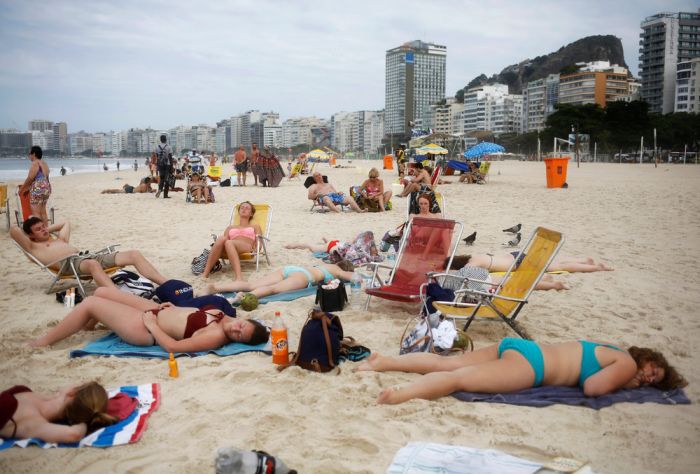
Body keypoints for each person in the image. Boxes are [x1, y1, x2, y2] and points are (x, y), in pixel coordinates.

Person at [355, 339, 687, 405]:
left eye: (652, 381)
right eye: (652, 372)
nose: (645, 378)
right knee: (457, 379)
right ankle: (400, 396)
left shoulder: (612, 349)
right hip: (533, 367)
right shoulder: (626, 364)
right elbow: (594, 389)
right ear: (644, 359)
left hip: (522, 348)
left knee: (449, 364)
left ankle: (383, 362)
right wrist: (626, 381)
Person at [30, 286, 270, 351]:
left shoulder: (215, 336)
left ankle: (43, 342)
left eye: (239, 336)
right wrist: (172, 307)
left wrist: (153, 326)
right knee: (102, 292)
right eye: (242, 327)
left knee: (91, 302)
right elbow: (188, 316)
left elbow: (173, 346)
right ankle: (89, 323)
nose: (236, 330)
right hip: (159, 310)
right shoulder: (224, 316)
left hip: (144, 329)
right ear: (247, 321)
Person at [11, 218, 167, 288]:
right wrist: (33, 235)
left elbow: (65, 222)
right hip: (70, 265)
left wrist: (45, 230)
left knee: (133, 254)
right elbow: (14, 230)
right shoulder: (33, 247)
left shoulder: (59, 240)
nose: (44, 230)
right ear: (30, 236)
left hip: (87, 257)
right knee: (92, 264)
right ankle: (116, 295)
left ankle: (166, 283)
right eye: (38, 229)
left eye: (44, 226)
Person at [0, 381, 118, 443]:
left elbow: (73, 434)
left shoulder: (33, 421)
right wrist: (86, 419)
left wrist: (86, 423)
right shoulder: (37, 401)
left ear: (72, 392)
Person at [204, 261, 355, 304]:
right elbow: (350, 276)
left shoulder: (325, 264)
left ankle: (216, 288)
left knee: (252, 284)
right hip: (305, 277)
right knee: (273, 289)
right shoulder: (336, 270)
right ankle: (239, 298)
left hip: (291, 268)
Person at [203, 201, 262, 280]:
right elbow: (224, 241)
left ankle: (239, 277)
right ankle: (205, 274)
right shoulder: (230, 227)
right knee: (222, 238)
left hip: (246, 246)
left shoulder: (255, 226)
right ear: (239, 212)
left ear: (251, 214)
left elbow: (260, 241)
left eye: (247, 208)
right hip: (230, 247)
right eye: (242, 207)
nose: (244, 209)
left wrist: (256, 249)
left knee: (229, 242)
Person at [284, 231, 383, 266]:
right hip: (332, 246)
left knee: (330, 243)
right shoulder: (365, 249)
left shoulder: (362, 243)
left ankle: (326, 240)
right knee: (310, 246)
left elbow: (352, 242)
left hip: (338, 243)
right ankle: (291, 245)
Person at [450, 253, 614, 274]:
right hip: (515, 255)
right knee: (553, 261)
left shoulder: (470, 266)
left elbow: (463, 276)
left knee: (560, 267)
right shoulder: (475, 256)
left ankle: (595, 267)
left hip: (519, 264)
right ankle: (583, 259)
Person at [18, 146, 51, 226]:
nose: (29, 156)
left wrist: (22, 189)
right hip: (46, 187)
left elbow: (30, 178)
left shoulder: (35, 163)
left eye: (30, 154)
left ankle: (39, 231)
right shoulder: (44, 163)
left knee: (36, 212)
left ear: (34, 154)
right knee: (43, 211)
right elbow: (45, 178)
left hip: (38, 188)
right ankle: (46, 230)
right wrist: (29, 189)